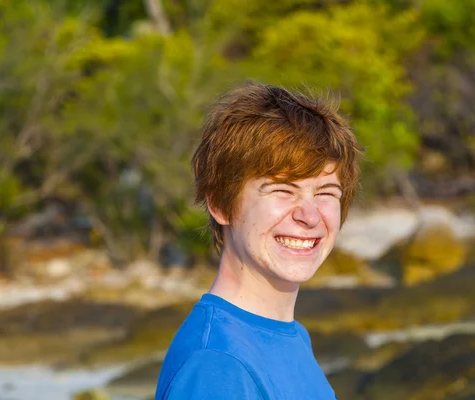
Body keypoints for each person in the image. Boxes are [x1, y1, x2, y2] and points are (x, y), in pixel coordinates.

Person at [155, 81, 362, 399]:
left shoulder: (289, 336)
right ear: (221, 204)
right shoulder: (217, 364)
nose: (309, 216)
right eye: (282, 190)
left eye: (325, 193)